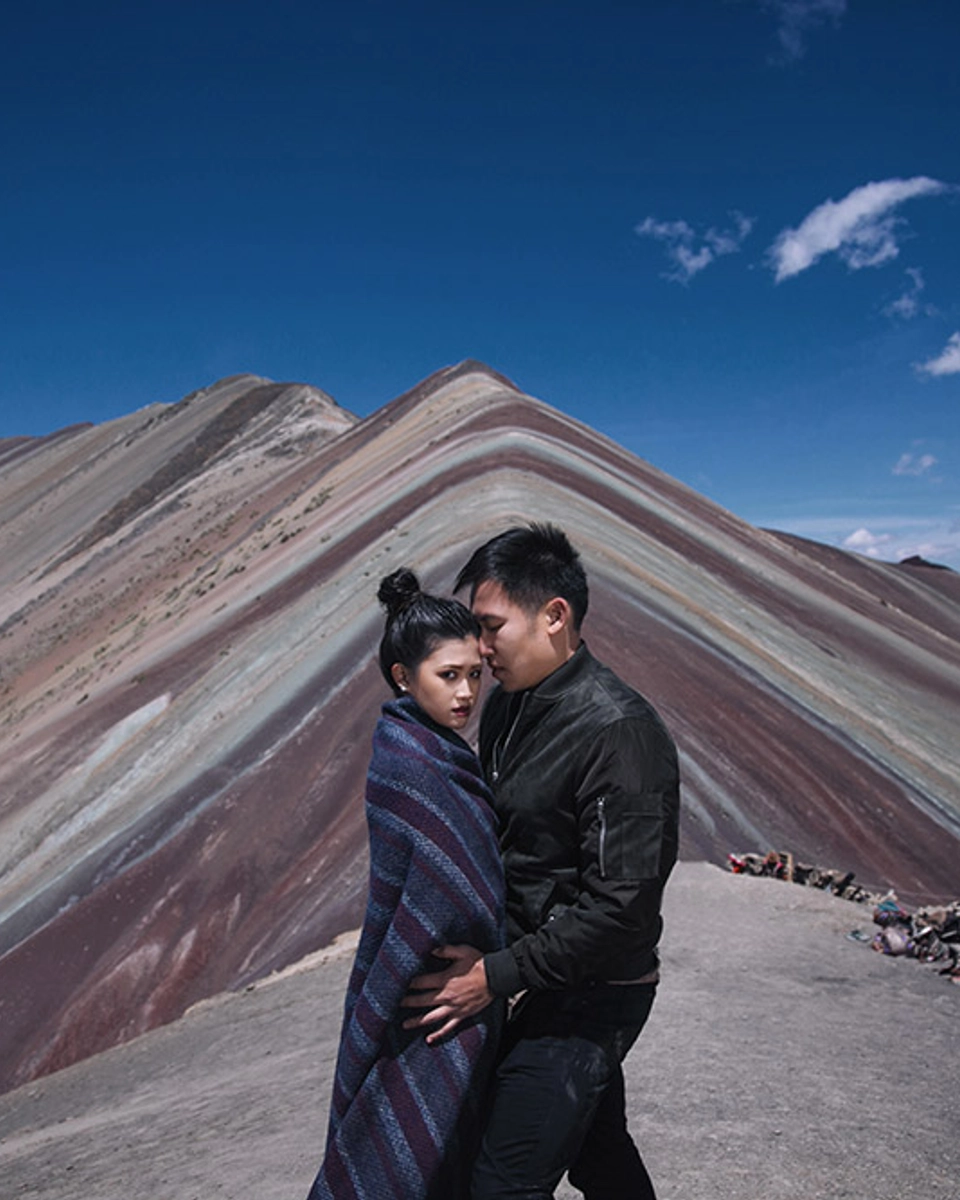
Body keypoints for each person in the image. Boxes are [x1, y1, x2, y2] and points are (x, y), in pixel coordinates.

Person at [401, 524, 680, 1199]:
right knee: (598, 1153)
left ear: (554, 616)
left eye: (491, 626)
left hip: (594, 994)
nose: (479, 647)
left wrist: (493, 977)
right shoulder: (507, 706)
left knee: (501, 1185)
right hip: (533, 980)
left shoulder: (620, 733)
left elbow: (622, 909)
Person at [308, 568, 505, 1200]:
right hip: (425, 988)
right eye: (448, 676)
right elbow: (439, 890)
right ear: (403, 676)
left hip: (462, 981)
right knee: (400, 1153)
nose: (466, 692)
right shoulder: (408, 762)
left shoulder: (441, 751)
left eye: (474, 674)